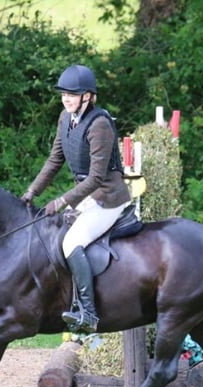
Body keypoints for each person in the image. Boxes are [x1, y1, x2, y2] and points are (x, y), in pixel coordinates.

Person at [21, 64, 131, 334]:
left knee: (72, 242)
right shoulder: (65, 118)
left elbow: (96, 177)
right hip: (87, 196)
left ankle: (89, 313)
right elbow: (55, 159)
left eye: (72, 94)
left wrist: (61, 201)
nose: (66, 99)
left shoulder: (100, 124)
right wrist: (32, 191)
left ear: (88, 96)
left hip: (108, 197)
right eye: (63, 94)